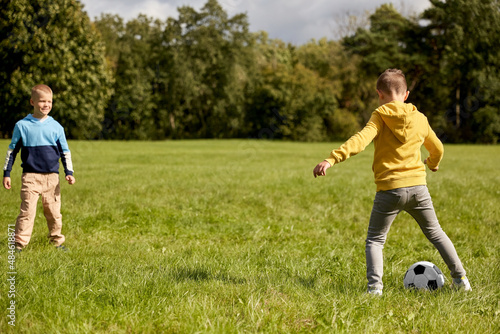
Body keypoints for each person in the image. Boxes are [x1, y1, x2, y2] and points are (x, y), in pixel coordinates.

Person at [313, 69, 471, 295]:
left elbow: (360, 140)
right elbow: (437, 147)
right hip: (418, 188)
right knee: (436, 233)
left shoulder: (380, 115)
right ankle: (461, 280)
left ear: (380, 94)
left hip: (389, 190)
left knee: (375, 240)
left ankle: (375, 289)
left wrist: (332, 159)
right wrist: (433, 163)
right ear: (406, 94)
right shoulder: (420, 118)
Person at [3, 84, 75, 252]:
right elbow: (12, 151)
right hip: (30, 177)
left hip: (52, 178)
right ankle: (19, 245)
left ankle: (57, 241)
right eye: (42, 101)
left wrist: (69, 172)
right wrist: (7, 173)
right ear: (32, 102)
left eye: (49, 101)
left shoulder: (57, 127)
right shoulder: (22, 126)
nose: (46, 105)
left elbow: (65, 152)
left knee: (54, 213)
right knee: (27, 212)